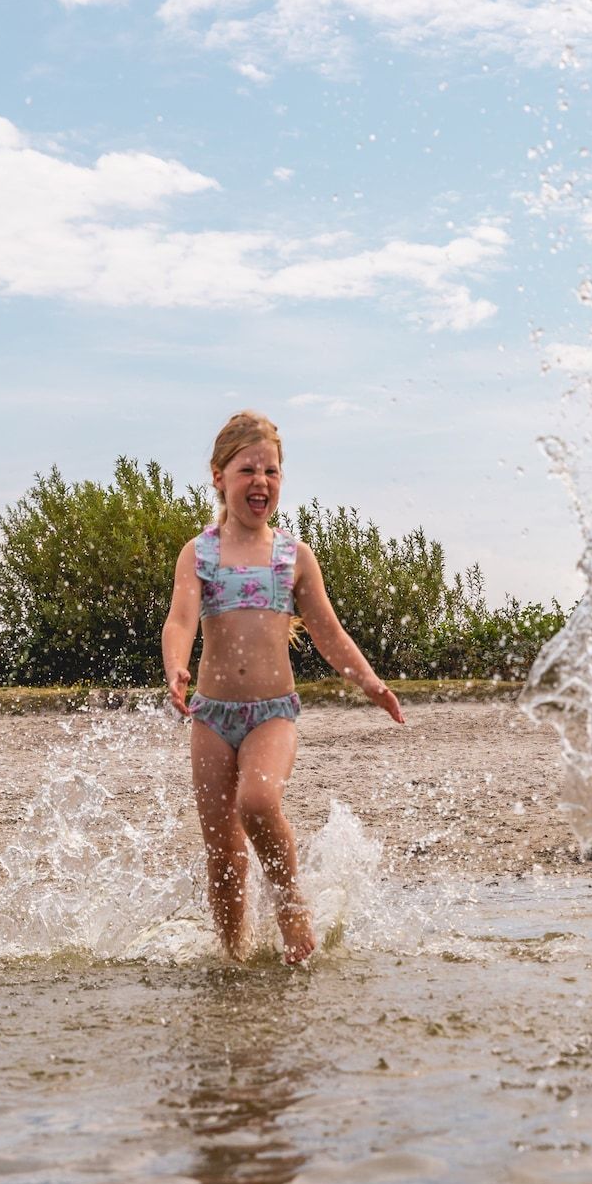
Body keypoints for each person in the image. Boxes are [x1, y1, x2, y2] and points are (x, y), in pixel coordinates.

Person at [161, 411, 404, 964]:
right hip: (212, 718)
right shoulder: (199, 553)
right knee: (223, 854)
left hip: (272, 714)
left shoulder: (293, 557)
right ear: (219, 477)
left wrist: (369, 681)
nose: (261, 482)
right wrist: (176, 665)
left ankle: (292, 907)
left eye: (271, 471)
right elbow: (179, 620)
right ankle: (235, 957)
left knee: (258, 800)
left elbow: (328, 631)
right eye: (248, 470)